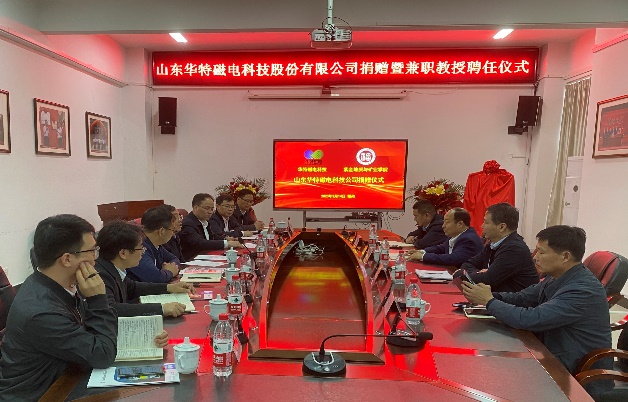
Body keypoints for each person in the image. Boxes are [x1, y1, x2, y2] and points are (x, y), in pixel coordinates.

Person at [462, 225, 613, 398]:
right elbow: (522, 298)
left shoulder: (582, 290)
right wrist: (488, 295)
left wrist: (489, 301)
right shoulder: (557, 276)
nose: (535, 257)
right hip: (549, 353)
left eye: (541, 252)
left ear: (565, 256)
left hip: (572, 374)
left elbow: (530, 319)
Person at [0, 215, 117, 400]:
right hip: (41, 394)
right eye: (92, 251)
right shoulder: (40, 312)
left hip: (65, 375)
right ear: (67, 259)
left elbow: (89, 334)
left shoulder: (50, 283)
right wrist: (97, 300)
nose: (95, 259)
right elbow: (102, 355)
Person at [95, 220, 194, 319]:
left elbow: (132, 288)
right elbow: (112, 308)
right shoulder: (101, 276)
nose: (143, 252)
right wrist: (161, 309)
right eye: (140, 248)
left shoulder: (113, 268)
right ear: (123, 253)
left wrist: (170, 288)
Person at [458, 203, 539, 292]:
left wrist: (472, 275)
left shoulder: (514, 249)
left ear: (501, 227)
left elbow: (487, 280)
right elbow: (467, 265)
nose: (482, 226)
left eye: (486, 222)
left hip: (513, 300)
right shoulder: (493, 244)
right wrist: (479, 273)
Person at [406, 208, 483, 268]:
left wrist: (423, 256)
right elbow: (441, 248)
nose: (443, 226)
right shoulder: (455, 235)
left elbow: (453, 258)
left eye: (447, 222)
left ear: (460, 224)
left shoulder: (469, 239)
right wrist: (422, 252)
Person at [180, 193, 241, 261]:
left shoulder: (205, 221)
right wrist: (226, 243)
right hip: (192, 260)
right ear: (196, 207)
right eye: (207, 208)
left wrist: (226, 239)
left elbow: (212, 237)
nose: (210, 212)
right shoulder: (188, 223)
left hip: (206, 257)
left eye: (212, 209)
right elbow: (199, 243)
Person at [126, 206, 180, 283]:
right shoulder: (138, 247)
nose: (173, 234)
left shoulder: (157, 244)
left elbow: (174, 258)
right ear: (161, 231)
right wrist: (170, 272)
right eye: (172, 230)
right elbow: (156, 278)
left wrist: (167, 271)